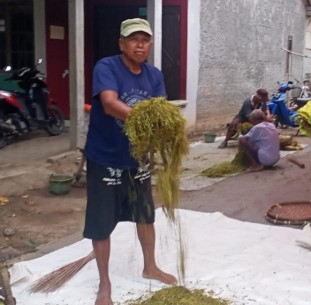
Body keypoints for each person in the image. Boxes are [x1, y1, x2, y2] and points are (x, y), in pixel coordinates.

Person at [84, 18, 177, 305]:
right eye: (133, 39)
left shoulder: (154, 75)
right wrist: (144, 120)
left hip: (138, 159)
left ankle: (149, 266)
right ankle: (105, 284)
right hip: (106, 157)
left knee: (145, 214)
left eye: (145, 39)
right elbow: (110, 103)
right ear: (122, 43)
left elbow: (161, 112)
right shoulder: (107, 67)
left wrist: (165, 137)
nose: (140, 44)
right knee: (101, 223)